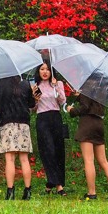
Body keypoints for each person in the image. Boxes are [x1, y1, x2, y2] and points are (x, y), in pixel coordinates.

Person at [0, 74, 38, 200]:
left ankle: (10, 192)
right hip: (23, 124)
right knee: (24, 159)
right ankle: (27, 191)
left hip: (7, 123)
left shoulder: (0, 84)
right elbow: (31, 104)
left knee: (10, 159)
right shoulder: (26, 84)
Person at [67, 92, 108, 200]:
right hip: (99, 123)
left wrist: (71, 110)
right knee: (103, 161)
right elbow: (91, 103)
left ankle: (92, 192)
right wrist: (78, 96)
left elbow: (85, 107)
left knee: (89, 160)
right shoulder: (100, 89)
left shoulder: (88, 87)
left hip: (87, 123)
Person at [33, 61, 68, 195]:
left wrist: (56, 88)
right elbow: (32, 108)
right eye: (42, 69)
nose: (45, 72)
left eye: (47, 69)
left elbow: (63, 101)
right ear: (39, 71)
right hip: (42, 119)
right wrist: (35, 99)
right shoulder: (36, 86)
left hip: (56, 117)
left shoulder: (58, 84)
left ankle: (50, 183)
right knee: (48, 151)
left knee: (58, 151)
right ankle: (58, 185)